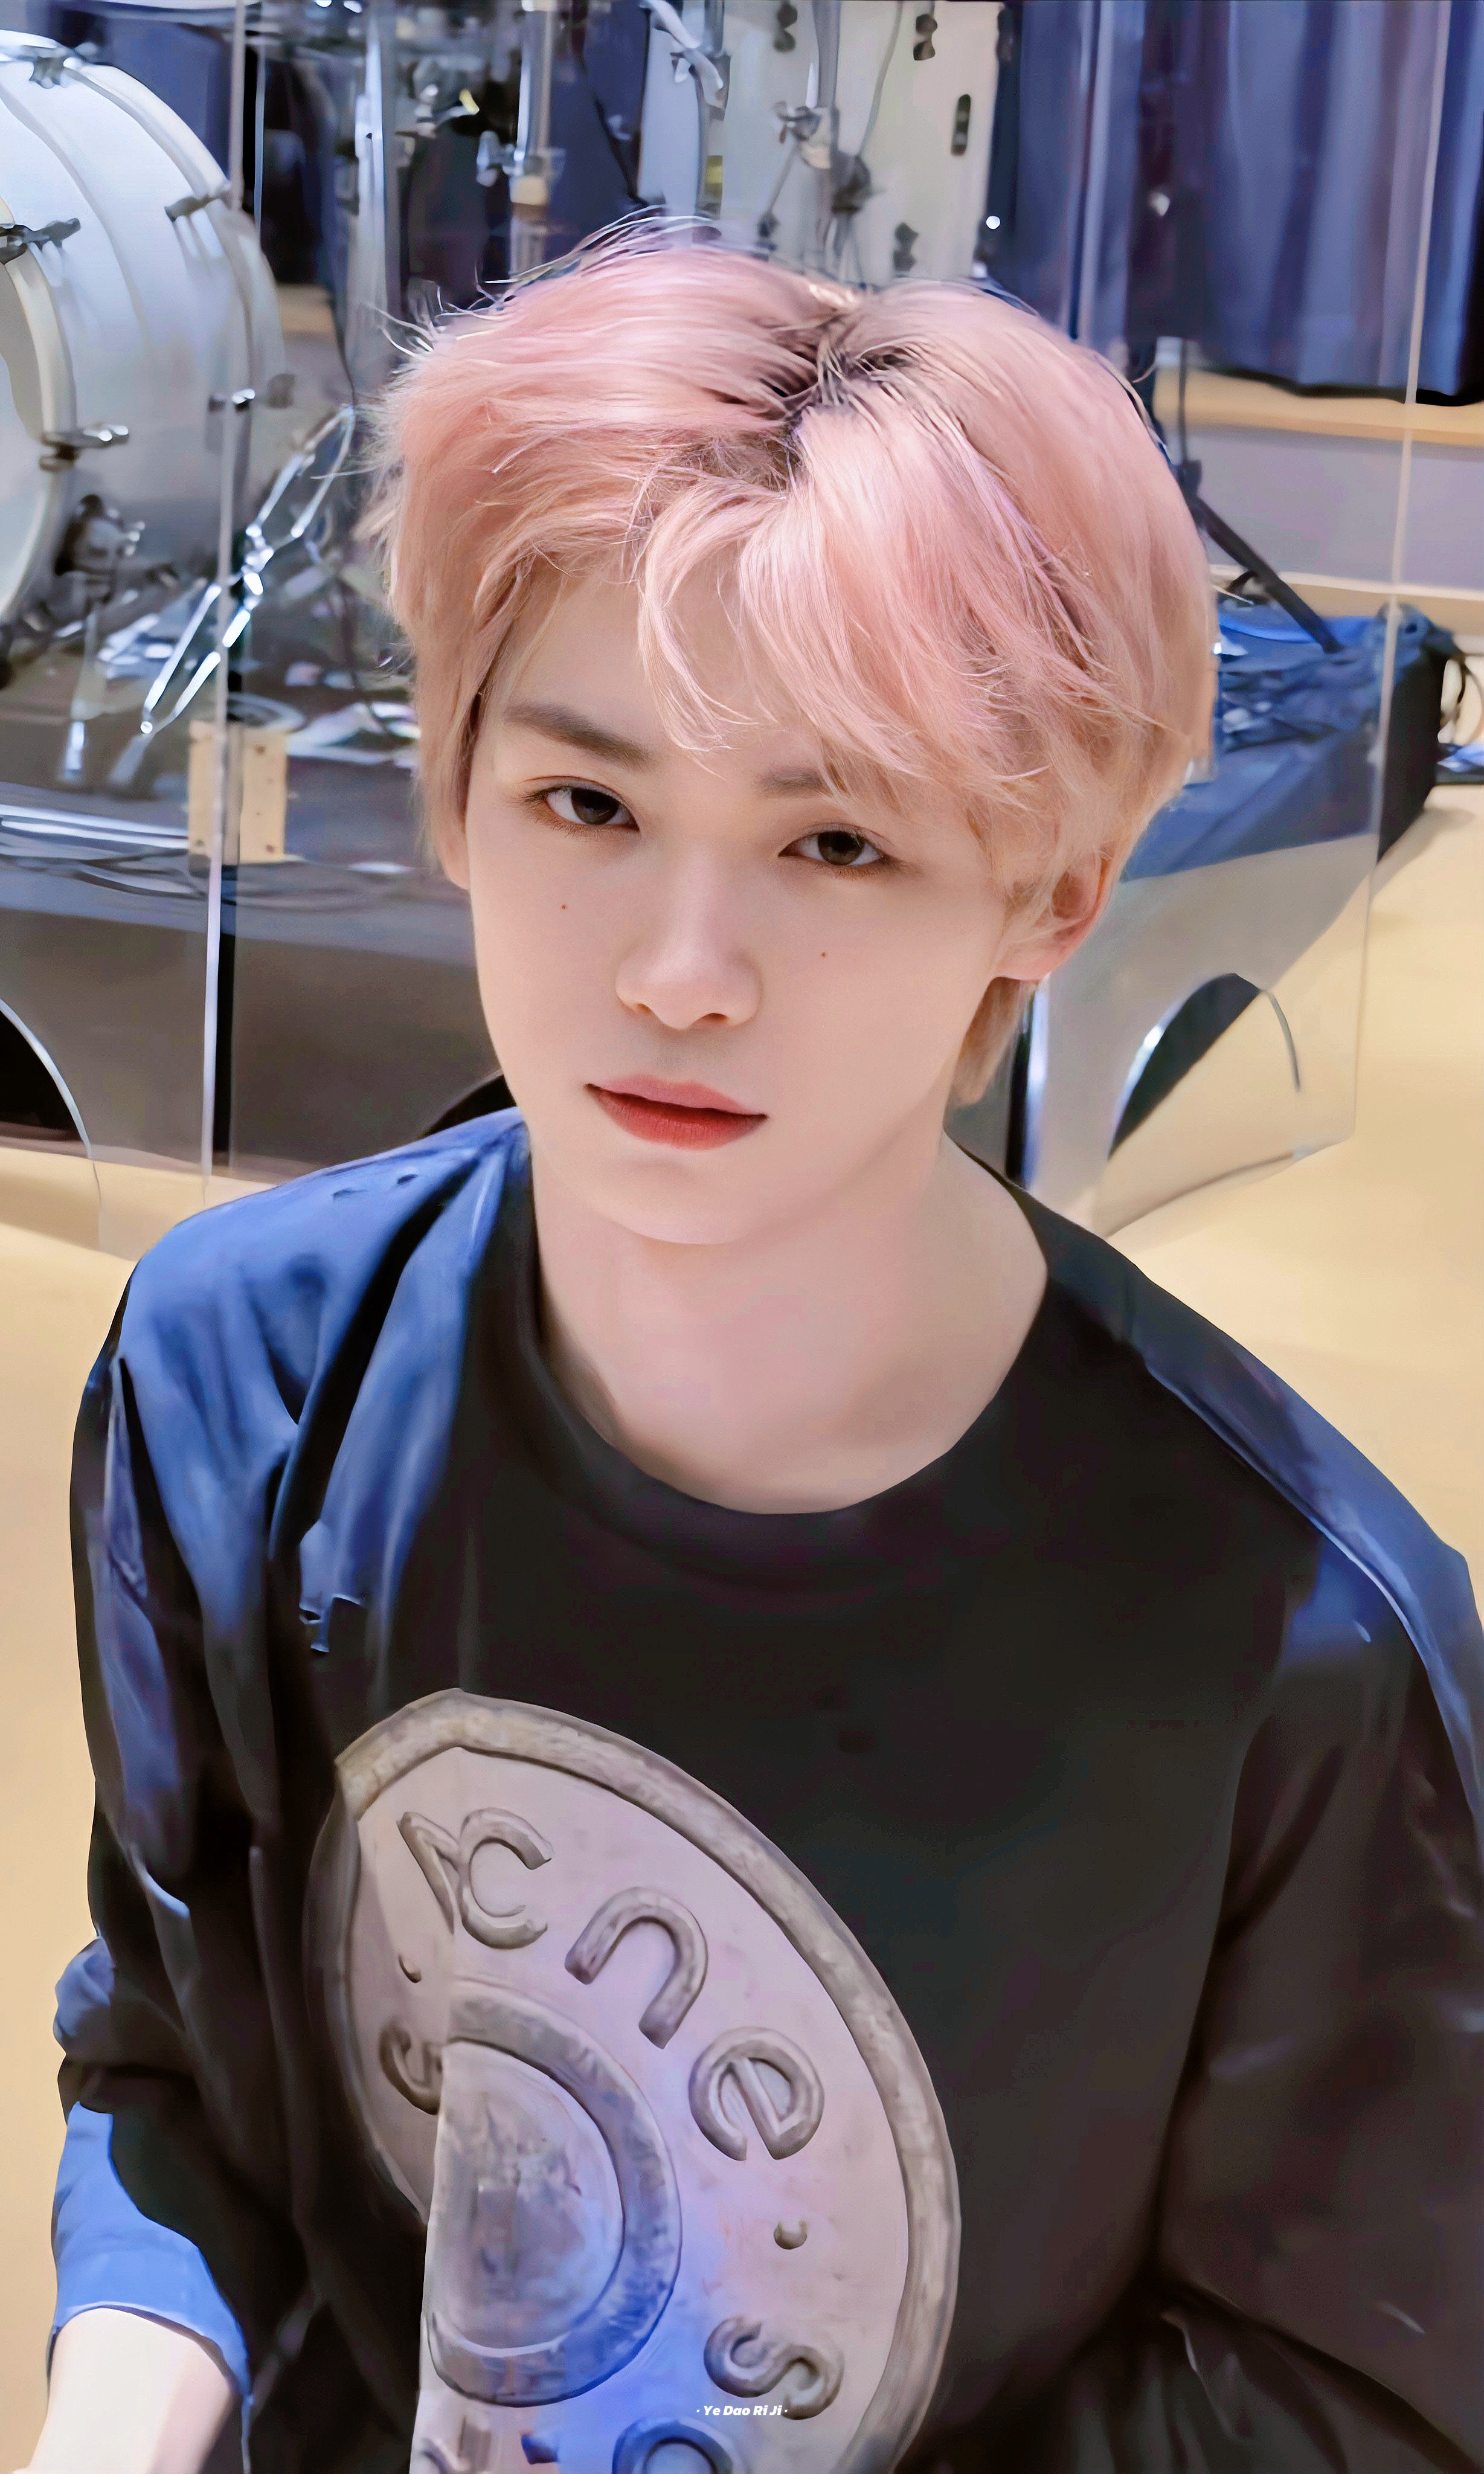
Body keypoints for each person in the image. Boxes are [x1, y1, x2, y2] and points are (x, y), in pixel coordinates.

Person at [29, 239, 1482, 2474]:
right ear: (453, 787)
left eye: (834, 841)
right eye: (589, 807)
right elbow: (186, 2074)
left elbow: (1333, 2393)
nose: (679, 972)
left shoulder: (1300, 1646)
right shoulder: (236, 1380)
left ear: (1051, 893)